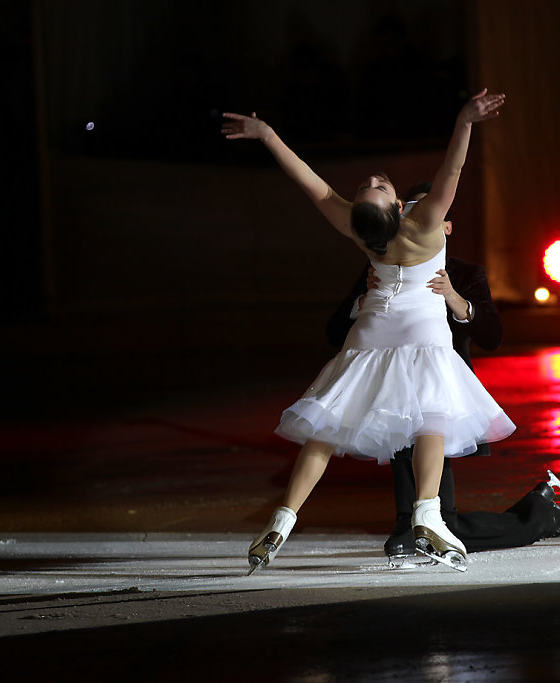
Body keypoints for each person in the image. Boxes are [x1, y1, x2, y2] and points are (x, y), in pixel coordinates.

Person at [222, 89, 513, 573]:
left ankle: (282, 520)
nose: (373, 179)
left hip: (371, 332)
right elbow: (452, 171)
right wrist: (464, 120)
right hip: (421, 329)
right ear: (396, 207)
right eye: (374, 187)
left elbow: (312, 186)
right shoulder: (422, 223)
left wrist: (269, 135)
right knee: (432, 418)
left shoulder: (361, 231)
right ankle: (427, 514)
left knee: (326, 426)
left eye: (367, 185)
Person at [327, 182, 560, 561]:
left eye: (421, 212)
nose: (411, 220)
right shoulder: (380, 263)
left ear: (445, 226)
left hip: (442, 400)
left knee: (436, 520)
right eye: (406, 213)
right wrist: (363, 301)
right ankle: (416, 528)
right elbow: (334, 332)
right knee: (413, 519)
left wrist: (453, 297)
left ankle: (538, 517)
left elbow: (493, 336)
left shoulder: (466, 274)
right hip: (394, 397)